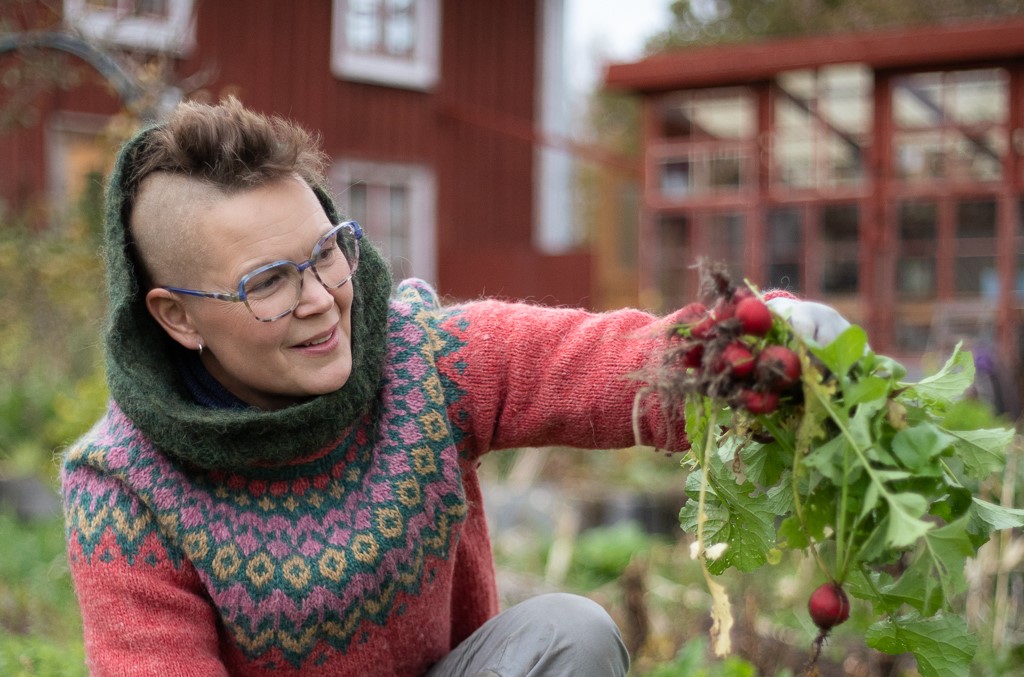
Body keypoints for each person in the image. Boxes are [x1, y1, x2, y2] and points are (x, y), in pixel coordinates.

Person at [61, 97, 850, 676]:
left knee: (567, 631)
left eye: (326, 251)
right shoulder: (126, 486)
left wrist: (751, 343)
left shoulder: (419, 358)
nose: (319, 298)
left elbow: (595, 363)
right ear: (178, 317)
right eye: (268, 281)